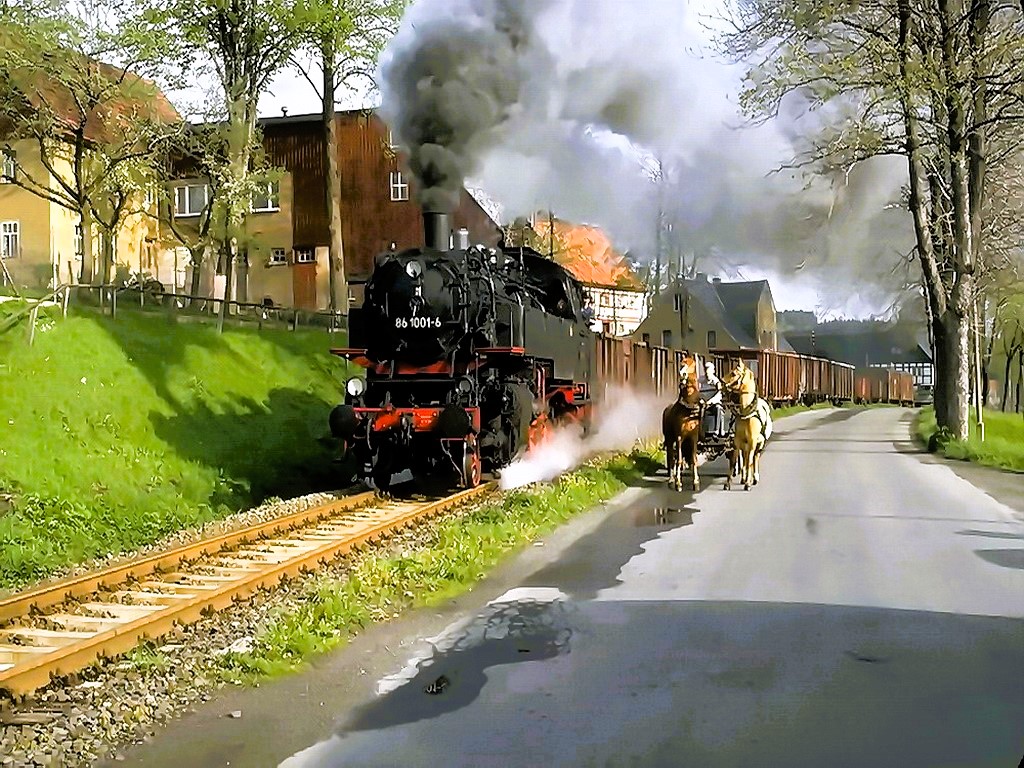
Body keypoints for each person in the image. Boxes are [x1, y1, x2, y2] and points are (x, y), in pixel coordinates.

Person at [701, 360, 726, 438]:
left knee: (718, 408)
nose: (707, 372)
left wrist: (710, 401)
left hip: (713, 404)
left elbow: (718, 393)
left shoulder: (715, 380)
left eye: (709, 370)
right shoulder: (701, 380)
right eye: (706, 370)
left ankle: (717, 430)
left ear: (713, 371)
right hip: (703, 403)